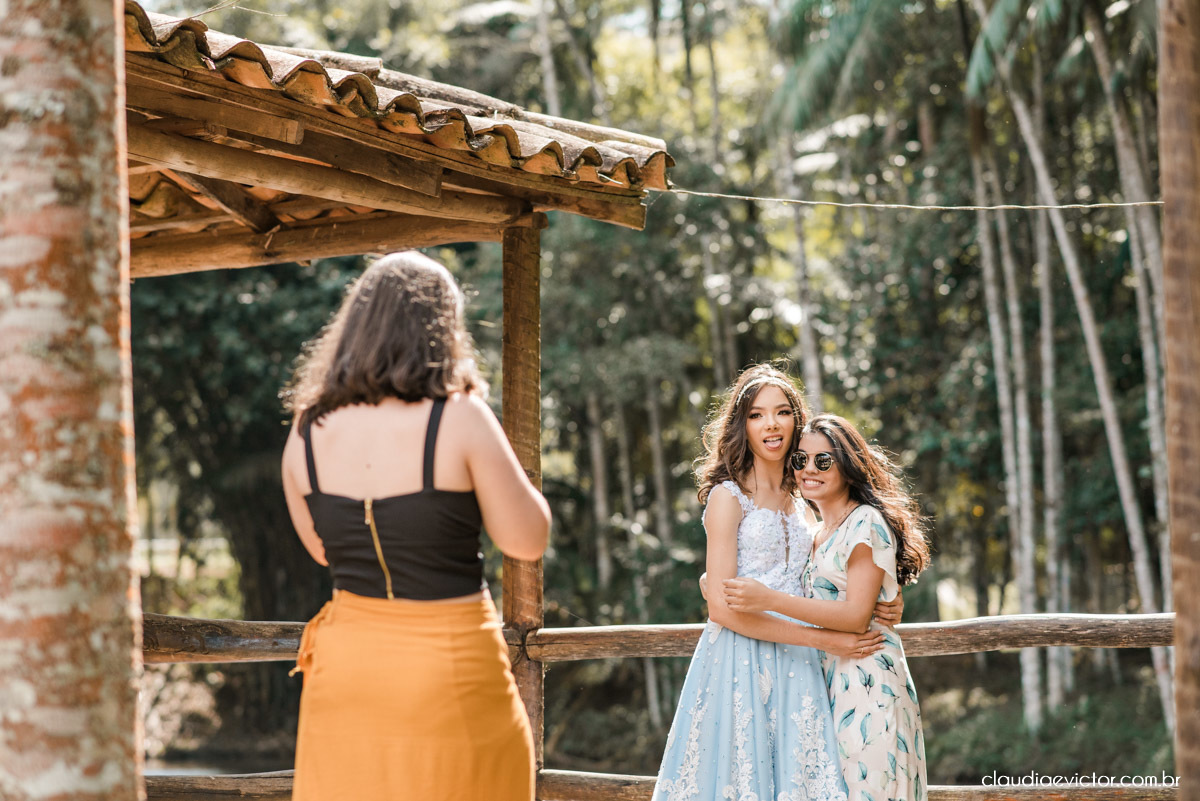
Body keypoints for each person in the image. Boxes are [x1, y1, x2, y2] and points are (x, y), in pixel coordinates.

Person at [279, 251, 550, 801]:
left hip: (346, 672)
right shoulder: (459, 416)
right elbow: (527, 538)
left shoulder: (306, 431)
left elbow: (323, 551)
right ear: (442, 329)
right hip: (447, 670)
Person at [653, 365, 899, 801]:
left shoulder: (806, 495)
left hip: (802, 668)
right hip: (738, 661)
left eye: (782, 412)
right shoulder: (727, 498)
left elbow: (845, 557)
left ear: (795, 421)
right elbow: (722, 610)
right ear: (741, 425)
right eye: (756, 414)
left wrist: (886, 600)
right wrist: (824, 640)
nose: (770, 423)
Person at [722, 413, 931, 801]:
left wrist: (768, 600)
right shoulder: (815, 534)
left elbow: (854, 617)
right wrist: (711, 583)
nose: (808, 470)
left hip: (869, 683)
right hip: (828, 683)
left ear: (848, 466)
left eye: (823, 460)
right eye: (800, 460)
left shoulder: (865, 521)